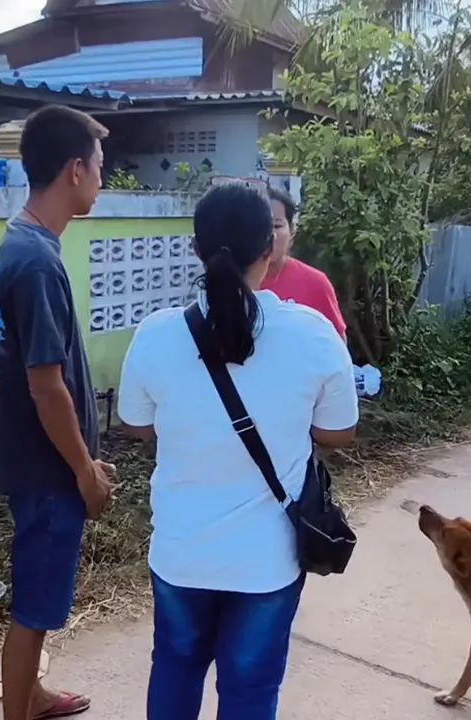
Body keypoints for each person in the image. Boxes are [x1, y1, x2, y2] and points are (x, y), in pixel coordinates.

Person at [116, 182, 359, 720]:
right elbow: (340, 431)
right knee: (250, 691)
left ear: (196, 247)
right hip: (266, 563)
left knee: (175, 669)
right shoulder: (313, 335)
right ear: (269, 249)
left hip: (181, 553)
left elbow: (135, 424)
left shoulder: (156, 335)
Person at [0, 105, 113, 720]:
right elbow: (45, 385)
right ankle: (19, 708)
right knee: (36, 598)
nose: (103, 180)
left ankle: (29, 693)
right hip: (45, 461)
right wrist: (83, 469)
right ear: (75, 170)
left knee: (42, 583)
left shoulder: (29, 244)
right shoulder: (33, 260)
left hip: (35, 453)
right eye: (100, 167)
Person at [259, 187, 347, 338]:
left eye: (277, 226)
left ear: (292, 230)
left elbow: (337, 346)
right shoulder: (235, 282)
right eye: (260, 226)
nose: (269, 235)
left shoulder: (316, 284)